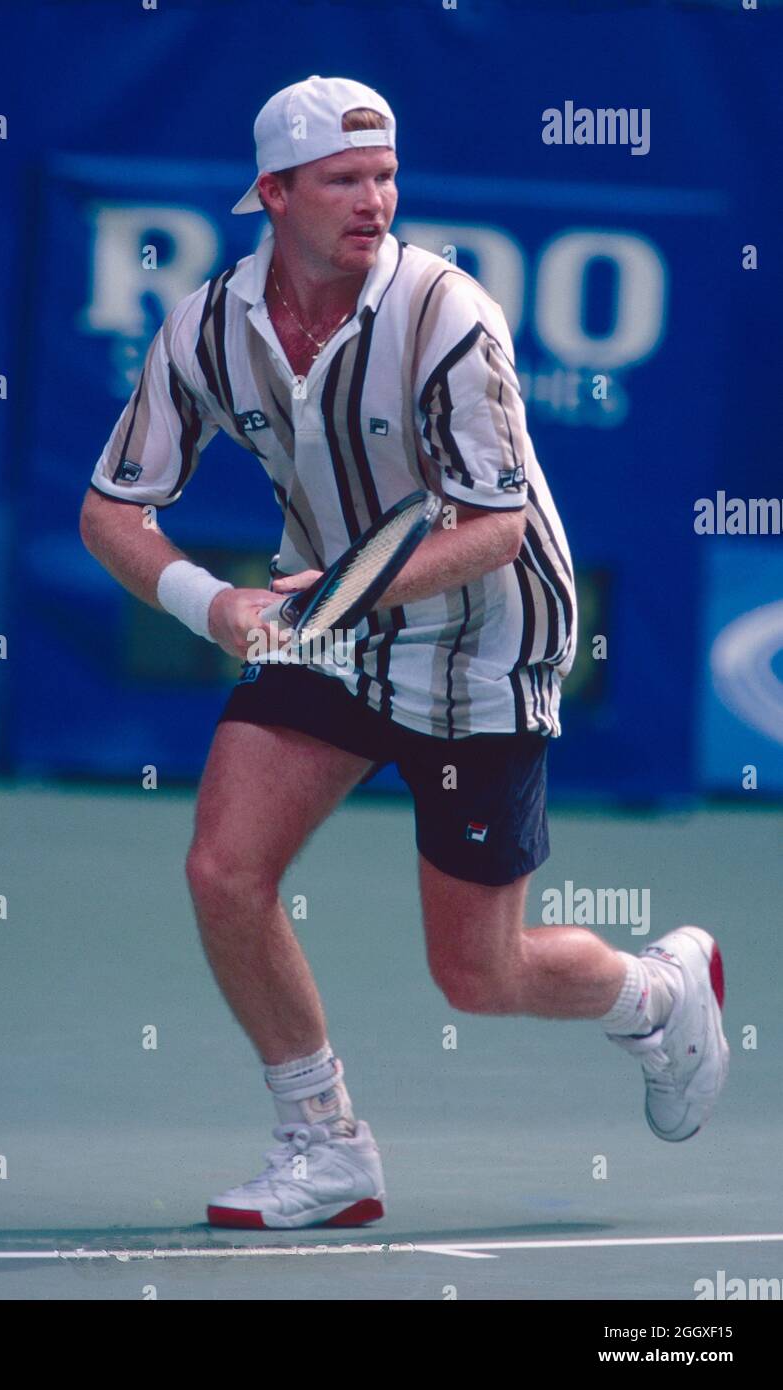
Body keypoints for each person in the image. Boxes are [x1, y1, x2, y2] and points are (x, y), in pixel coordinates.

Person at [79, 75, 729, 1231]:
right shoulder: (207, 330)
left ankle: (656, 992)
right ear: (271, 194)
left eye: (383, 176)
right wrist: (209, 604)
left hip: (482, 650)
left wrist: (325, 595)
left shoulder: (449, 317)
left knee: (475, 976)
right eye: (341, 180)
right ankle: (324, 1145)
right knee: (223, 872)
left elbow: (491, 529)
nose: (373, 200)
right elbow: (111, 510)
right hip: (324, 635)